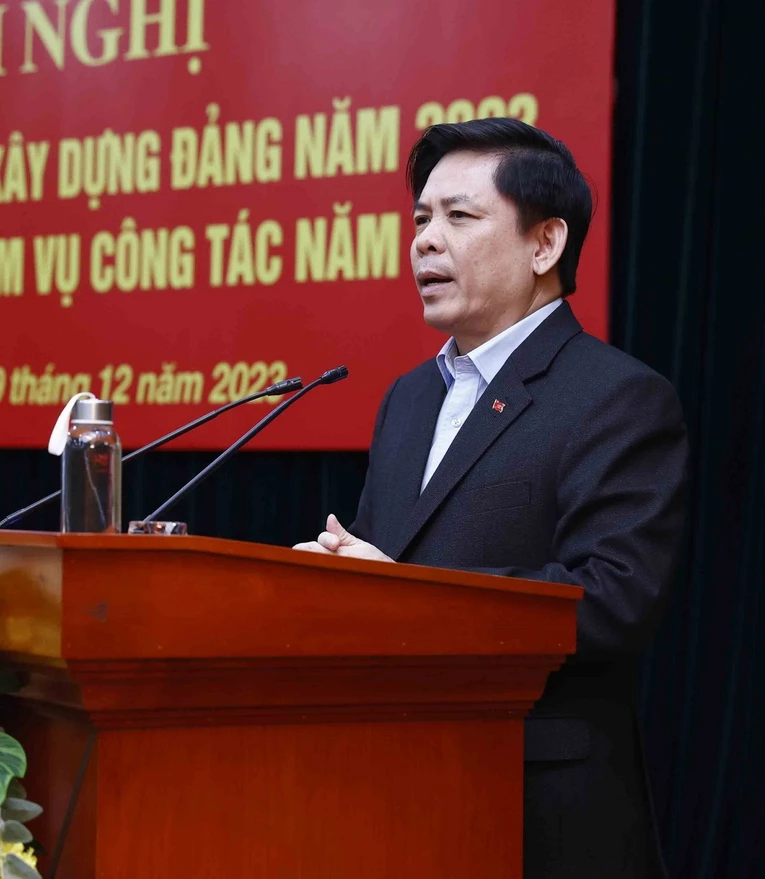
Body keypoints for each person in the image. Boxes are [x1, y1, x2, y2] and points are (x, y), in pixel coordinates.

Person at [295, 118, 688, 878]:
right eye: (420, 218)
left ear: (545, 244)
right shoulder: (408, 398)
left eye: (458, 216)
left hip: (535, 805)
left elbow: (613, 601)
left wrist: (403, 594)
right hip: (392, 791)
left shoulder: (618, 397)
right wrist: (337, 580)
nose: (424, 241)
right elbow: (383, 572)